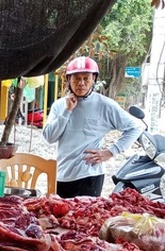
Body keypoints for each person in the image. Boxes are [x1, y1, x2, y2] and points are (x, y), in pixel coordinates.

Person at [42, 56, 144, 198]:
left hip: (89, 176)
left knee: (85, 219)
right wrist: (67, 111)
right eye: (76, 78)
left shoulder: (105, 105)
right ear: (68, 80)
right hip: (62, 175)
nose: (81, 83)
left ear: (94, 79)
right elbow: (49, 137)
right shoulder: (59, 105)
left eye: (86, 78)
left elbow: (136, 126)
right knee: (61, 218)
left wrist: (110, 152)